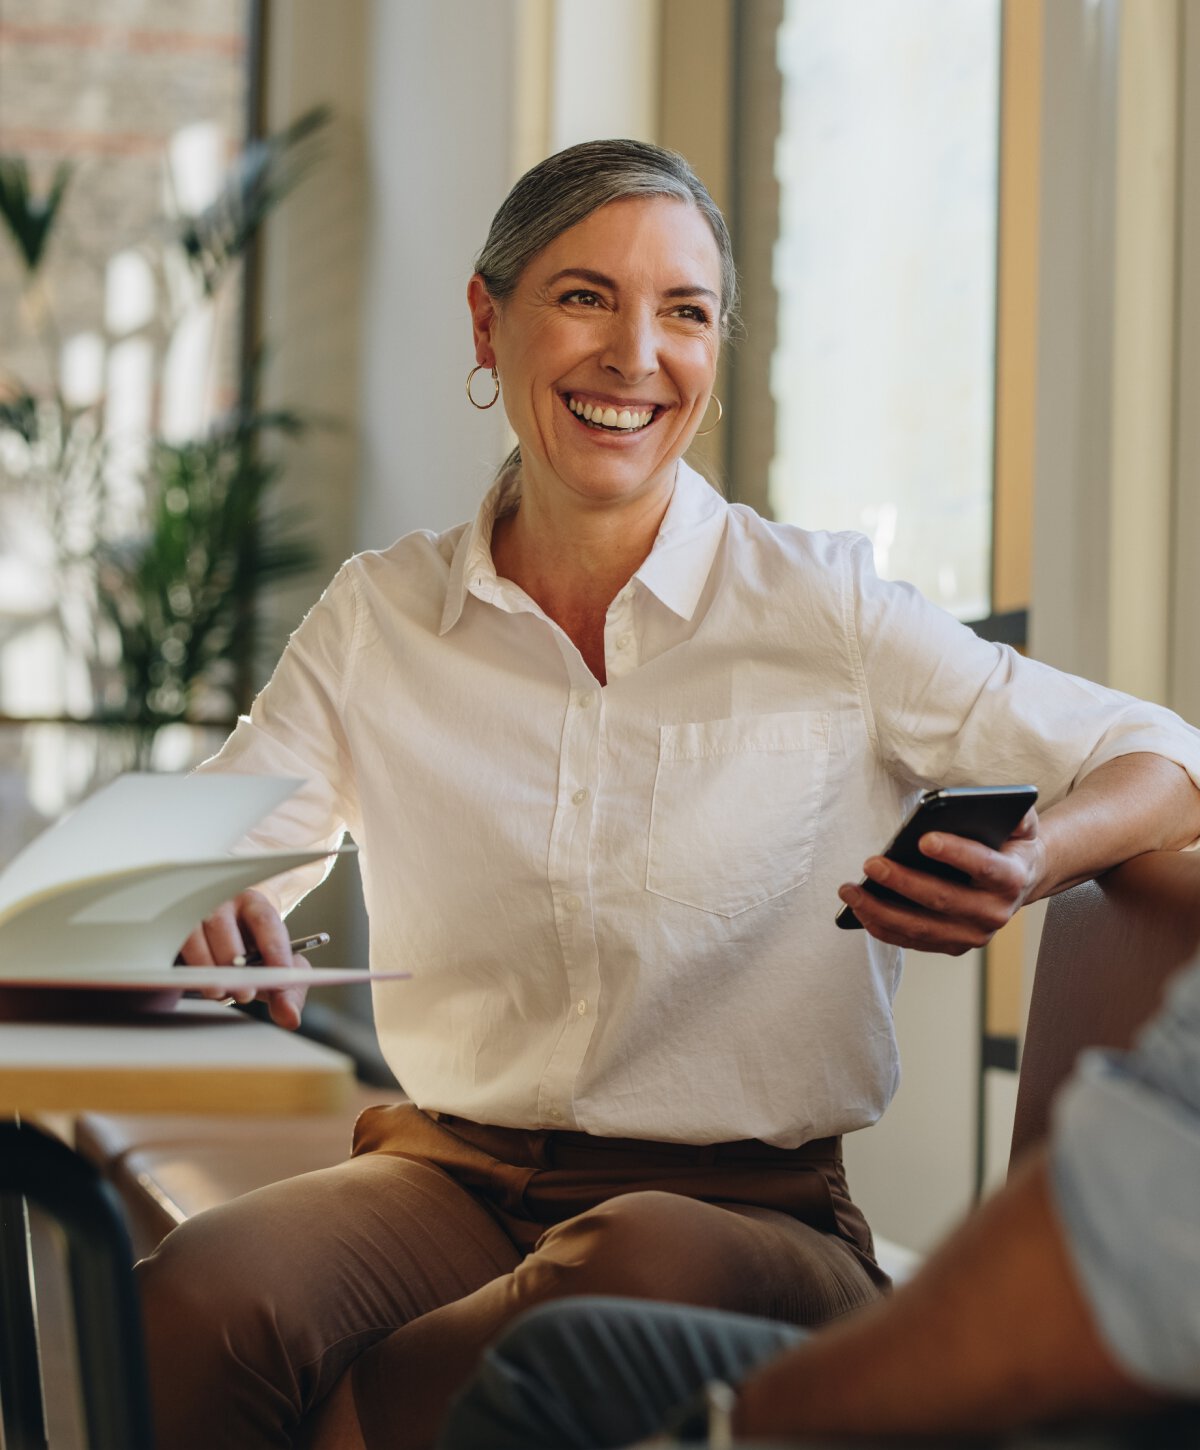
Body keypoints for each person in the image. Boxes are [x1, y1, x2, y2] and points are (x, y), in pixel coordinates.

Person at [137, 139, 1200, 1450]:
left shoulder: (829, 607)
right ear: (490, 317)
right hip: (451, 1170)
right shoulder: (382, 614)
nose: (636, 354)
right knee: (202, 1295)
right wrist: (215, 889)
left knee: (626, 1271)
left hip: (752, 1213)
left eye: (684, 313)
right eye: (586, 296)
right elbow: (200, 857)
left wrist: (1035, 855)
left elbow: (1168, 755)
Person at [437, 947, 1200, 1450]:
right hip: (461, 1154)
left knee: (629, 1276)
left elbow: (1107, 1267)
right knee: (560, 1357)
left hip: (1141, 1404)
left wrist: (729, 1427)